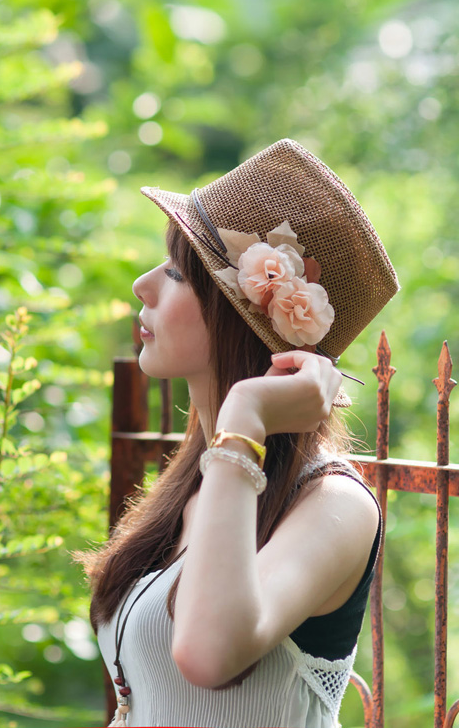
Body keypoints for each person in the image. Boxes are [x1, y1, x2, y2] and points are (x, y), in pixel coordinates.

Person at [79, 138, 399, 728]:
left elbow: (206, 655)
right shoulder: (199, 482)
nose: (142, 286)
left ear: (240, 318)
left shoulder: (334, 504)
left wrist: (246, 413)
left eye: (177, 271)